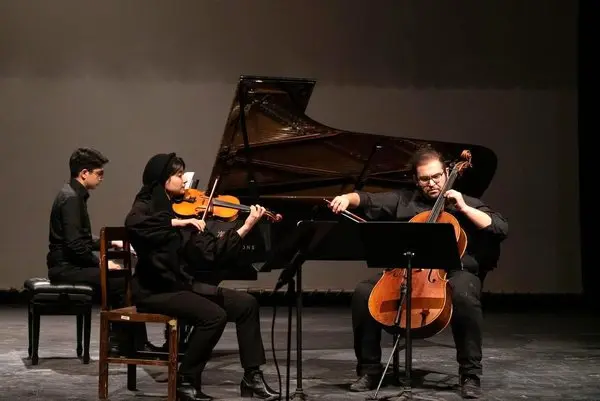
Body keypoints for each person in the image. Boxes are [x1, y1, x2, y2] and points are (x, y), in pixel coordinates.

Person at [328, 145, 508, 399]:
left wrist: (464, 208)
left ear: (446, 173)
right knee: (363, 293)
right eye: (424, 179)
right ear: (416, 180)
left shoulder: (465, 202)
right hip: (407, 270)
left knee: (464, 295)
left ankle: (470, 374)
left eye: (436, 176)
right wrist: (347, 199)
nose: (432, 183)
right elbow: (366, 199)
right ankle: (369, 369)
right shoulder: (404, 200)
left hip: (454, 272)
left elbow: (500, 227)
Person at [124, 152, 280, 401]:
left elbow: (211, 253)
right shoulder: (146, 205)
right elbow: (133, 225)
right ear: (163, 179)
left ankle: (252, 377)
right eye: (178, 175)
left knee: (246, 305)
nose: (184, 181)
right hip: (155, 290)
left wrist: (246, 226)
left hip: (181, 285)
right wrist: (177, 223)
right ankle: (186, 380)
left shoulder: (180, 210)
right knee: (214, 316)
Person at [46, 148, 156, 355]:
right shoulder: (71, 199)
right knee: (120, 281)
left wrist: (111, 243)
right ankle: (123, 342)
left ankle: (129, 341)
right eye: (99, 173)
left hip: (70, 265)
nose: (101, 178)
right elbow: (75, 245)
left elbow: (82, 239)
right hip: (65, 268)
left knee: (121, 277)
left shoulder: (73, 195)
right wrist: (101, 263)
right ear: (84, 173)